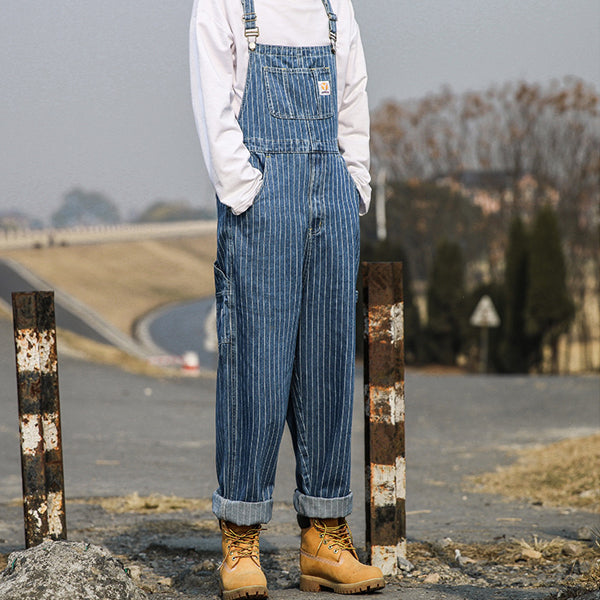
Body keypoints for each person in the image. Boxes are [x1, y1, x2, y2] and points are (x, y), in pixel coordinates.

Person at [189, 1, 383, 596]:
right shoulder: (225, 3)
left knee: (327, 362)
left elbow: (352, 93)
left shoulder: (332, 4)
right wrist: (243, 188)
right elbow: (212, 95)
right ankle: (240, 537)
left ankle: (325, 535)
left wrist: (356, 183)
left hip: (333, 190)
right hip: (261, 191)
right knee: (257, 360)